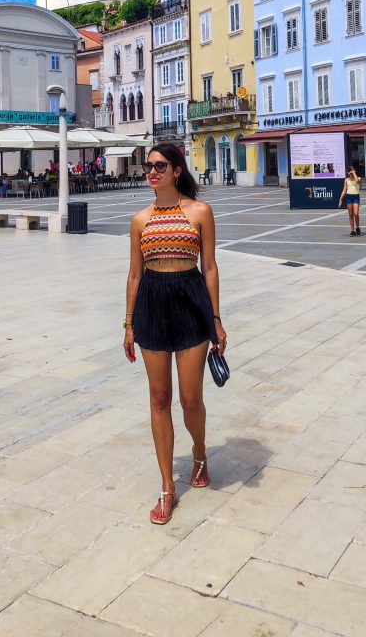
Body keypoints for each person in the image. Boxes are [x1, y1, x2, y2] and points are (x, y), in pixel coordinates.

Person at [124, 143, 226, 526]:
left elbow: (211, 267)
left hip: (190, 301)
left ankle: (199, 452)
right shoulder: (140, 219)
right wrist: (129, 323)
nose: (151, 171)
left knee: (189, 398)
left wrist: (215, 318)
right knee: (159, 398)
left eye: (159, 165)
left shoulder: (200, 212)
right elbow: (135, 274)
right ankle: (167, 487)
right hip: (152, 302)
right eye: (147, 166)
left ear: (177, 170)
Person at [338, 166, 361, 236]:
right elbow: (344, 190)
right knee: (351, 214)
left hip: (356, 196)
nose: (351, 173)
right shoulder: (346, 180)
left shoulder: (358, 178)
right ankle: (352, 230)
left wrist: (354, 173)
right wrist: (340, 199)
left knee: (356, 213)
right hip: (349, 196)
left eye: (353, 171)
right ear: (348, 173)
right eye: (350, 172)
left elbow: (357, 181)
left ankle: (357, 227)